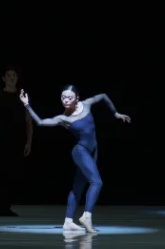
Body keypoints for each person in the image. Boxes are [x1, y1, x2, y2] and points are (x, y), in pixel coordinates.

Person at [20, 86, 131, 233]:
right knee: (97, 182)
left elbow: (103, 95)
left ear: (77, 98)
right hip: (80, 151)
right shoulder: (64, 118)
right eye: (63, 97)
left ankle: (68, 222)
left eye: (69, 97)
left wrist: (115, 113)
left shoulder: (86, 104)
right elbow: (41, 122)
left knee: (78, 186)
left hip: (93, 150)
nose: (65, 100)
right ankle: (87, 216)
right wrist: (26, 104)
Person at [0, 66, 33, 216]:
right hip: (2, 140)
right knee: (2, 174)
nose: (12, 78)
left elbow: (28, 120)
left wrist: (28, 142)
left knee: (15, 174)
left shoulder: (22, 96)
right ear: (4, 78)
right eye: (9, 75)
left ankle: (6, 205)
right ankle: (2, 207)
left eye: (14, 75)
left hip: (18, 140)